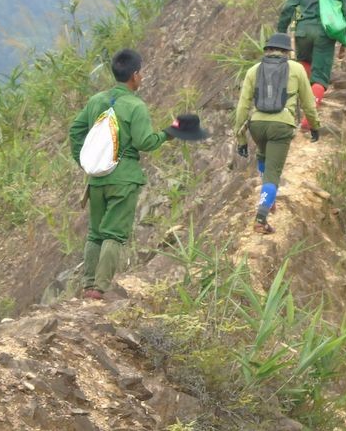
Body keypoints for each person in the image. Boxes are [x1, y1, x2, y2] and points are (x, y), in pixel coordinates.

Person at [69, 48, 209, 300]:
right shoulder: (135, 106)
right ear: (134, 75)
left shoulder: (96, 101)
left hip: (96, 178)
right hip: (124, 178)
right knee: (113, 233)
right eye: (140, 73)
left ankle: (88, 284)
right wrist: (169, 133)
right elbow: (145, 142)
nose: (141, 77)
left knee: (95, 232)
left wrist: (84, 160)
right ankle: (99, 289)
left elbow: (76, 131)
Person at [233, 33, 320, 234]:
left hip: (257, 124)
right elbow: (308, 102)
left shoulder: (254, 70)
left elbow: (242, 107)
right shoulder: (297, 69)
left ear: (267, 50)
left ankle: (268, 200)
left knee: (263, 155)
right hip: (281, 126)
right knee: (273, 175)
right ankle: (261, 218)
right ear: (287, 52)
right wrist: (314, 125)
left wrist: (241, 139)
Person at [276, 0, 346, 127]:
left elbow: (289, 7)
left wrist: (281, 32)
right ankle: (308, 119)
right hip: (324, 33)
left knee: (305, 64)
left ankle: (292, 105)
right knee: (320, 78)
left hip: (302, 31)